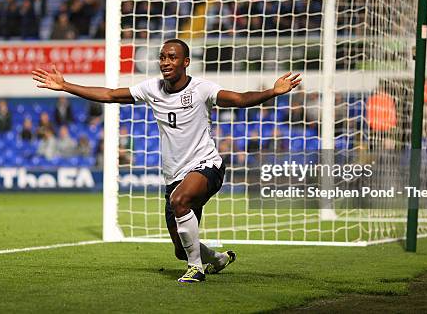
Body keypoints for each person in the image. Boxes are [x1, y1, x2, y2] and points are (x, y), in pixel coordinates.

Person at [32, 38, 302, 283]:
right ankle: (217, 259)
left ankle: (196, 269)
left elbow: (241, 99)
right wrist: (64, 85)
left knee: (179, 202)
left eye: (172, 57)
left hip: (207, 165)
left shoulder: (201, 89)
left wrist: (273, 92)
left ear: (185, 62)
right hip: (174, 175)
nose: (165, 62)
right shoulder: (152, 88)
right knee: (179, 249)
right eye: (162, 57)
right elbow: (111, 95)